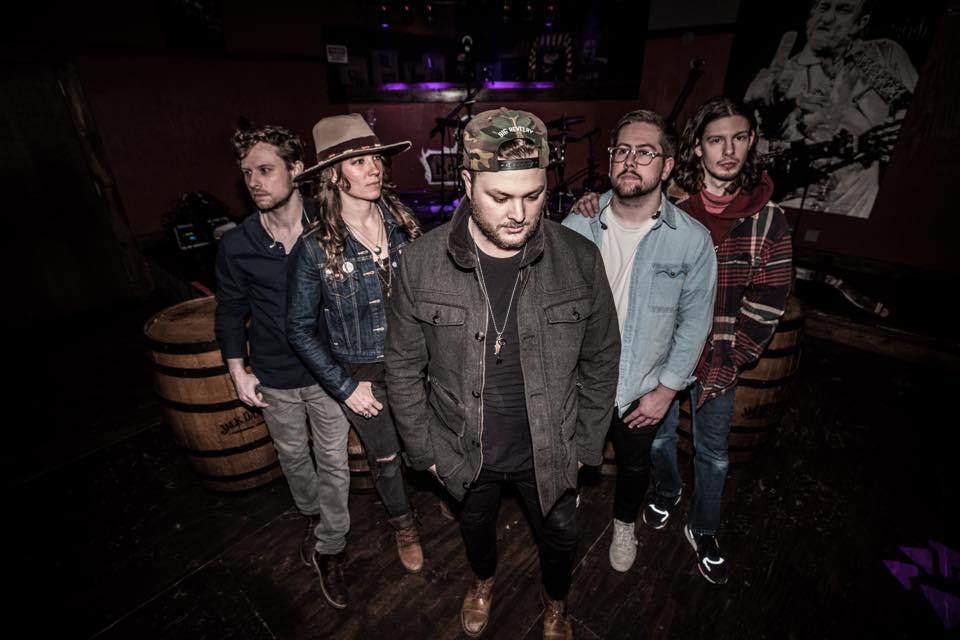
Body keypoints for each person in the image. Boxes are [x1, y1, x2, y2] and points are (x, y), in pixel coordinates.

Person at [384, 108, 619, 639]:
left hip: (552, 445)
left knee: (560, 540)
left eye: (534, 196)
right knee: (476, 530)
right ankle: (483, 581)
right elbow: (401, 366)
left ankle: (555, 602)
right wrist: (426, 455)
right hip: (463, 447)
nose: (519, 213)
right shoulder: (419, 263)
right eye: (500, 197)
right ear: (467, 182)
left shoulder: (580, 259)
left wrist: (586, 445)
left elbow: (603, 356)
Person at [572, 97, 793, 585]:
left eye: (646, 153)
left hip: (684, 366)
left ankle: (675, 527)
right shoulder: (604, 217)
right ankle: (646, 497)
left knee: (695, 454)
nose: (631, 161)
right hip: (617, 368)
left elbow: (736, 308)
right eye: (716, 139)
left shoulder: (729, 228)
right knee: (626, 448)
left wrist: (696, 373)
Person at [562, 109, 717, 573]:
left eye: (645, 152)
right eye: (622, 151)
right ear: (610, 160)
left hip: (641, 389)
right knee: (568, 458)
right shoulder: (577, 226)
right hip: (578, 384)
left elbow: (695, 323)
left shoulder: (691, 241)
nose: (631, 161)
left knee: (634, 467)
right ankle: (560, 516)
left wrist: (665, 392)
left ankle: (624, 524)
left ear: (667, 166)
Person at [285, 114, 424, 607]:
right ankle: (403, 526)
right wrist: (345, 387)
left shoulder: (405, 224)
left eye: (376, 159)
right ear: (333, 175)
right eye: (359, 162)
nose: (374, 169)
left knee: (423, 443)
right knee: (385, 459)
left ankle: (444, 496)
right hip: (361, 372)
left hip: (414, 361)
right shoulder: (314, 248)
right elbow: (298, 328)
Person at [214, 124, 354, 607]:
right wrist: (238, 370)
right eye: (248, 173)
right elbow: (230, 310)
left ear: (296, 170)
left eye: (266, 169)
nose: (255, 181)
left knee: (333, 460)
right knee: (295, 458)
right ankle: (317, 520)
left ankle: (331, 545)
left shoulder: (331, 223)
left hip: (327, 371)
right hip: (273, 375)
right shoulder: (238, 244)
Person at [744, 0, 918, 217]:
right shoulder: (783, 75)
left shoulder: (884, 53)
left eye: (843, 10)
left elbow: (917, 122)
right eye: (824, 7)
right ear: (811, 15)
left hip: (858, 206)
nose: (827, 18)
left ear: (860, 23)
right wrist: (767, 118)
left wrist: (861, 59)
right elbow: (755, 155)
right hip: (793, 205)